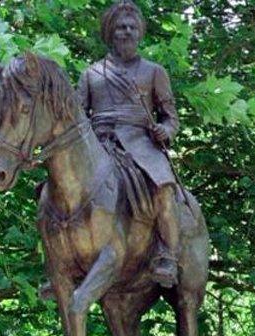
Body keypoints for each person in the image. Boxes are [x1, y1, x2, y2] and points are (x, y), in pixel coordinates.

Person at [77, 1, 180, 287]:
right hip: (99, 144)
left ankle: (168, 255)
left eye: (132, 27)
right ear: (111, 32)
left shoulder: (154, 72)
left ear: (140, 33)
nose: (126, 31)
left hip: (141, 143)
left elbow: (171, 117)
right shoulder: (91, 74)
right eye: (121, 27)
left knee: (164, 191)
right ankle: (58, 264)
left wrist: (164, 130)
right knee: (57, 189)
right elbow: (77, 117)